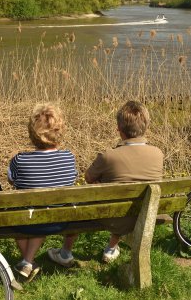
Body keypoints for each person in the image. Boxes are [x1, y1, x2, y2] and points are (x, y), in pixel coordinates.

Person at [48, 100, 163, 265]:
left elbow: (88, 178)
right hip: (143, 217)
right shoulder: (157, 154)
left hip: (109, 218)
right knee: (125, 197)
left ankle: (65, 253)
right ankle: (110, 249)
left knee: (85, 198)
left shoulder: (109, 156)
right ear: (146, 127)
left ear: (119, 130)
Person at [8, 103, 77, 280]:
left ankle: (27, 261)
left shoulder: (20, 160)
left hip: (27, 221)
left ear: (32, 133)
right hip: (60, 220)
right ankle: (28, 261)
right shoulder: (69, 158)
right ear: (59, 131)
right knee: (43, 212)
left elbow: (11, 180)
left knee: (16, 214)